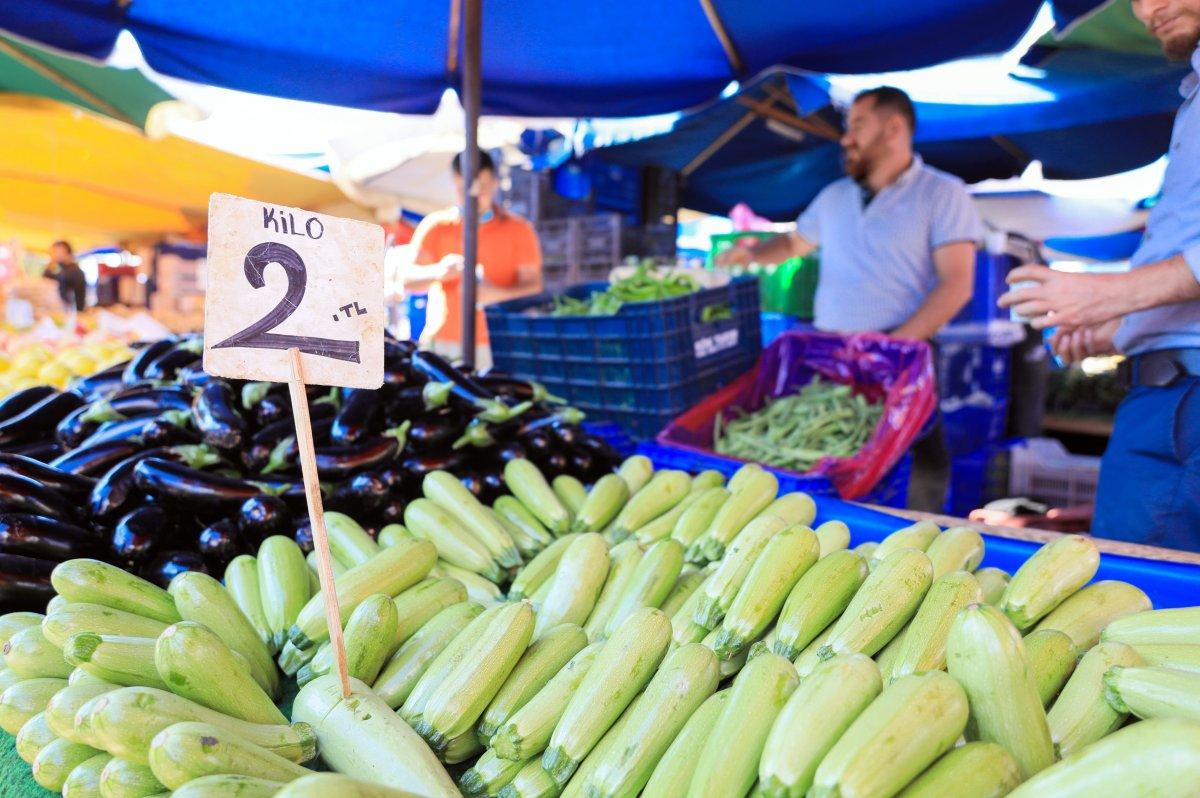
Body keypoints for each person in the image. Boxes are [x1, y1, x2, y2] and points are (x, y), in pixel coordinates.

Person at [718, 86, 984, 511]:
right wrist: (749, 254)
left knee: (915, 474)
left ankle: (915, 554)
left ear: (894, 128)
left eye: (857, 125)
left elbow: (957, 284)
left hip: (903, 356)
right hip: (829, 356)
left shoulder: (943, 193)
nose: (846, 138)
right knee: (829, 463)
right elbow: (792, 244)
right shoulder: (833, 196)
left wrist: (890, 348)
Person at [999, 0, 1200, 552]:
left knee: (1143, 614)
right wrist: (1121, 328)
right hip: (1167, 394)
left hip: (1186, 403)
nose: (1145, 9)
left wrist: (1105, 293)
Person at [408, 149, 542, 353]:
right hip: (442, 343)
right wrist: (439, 272)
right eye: (464, 189)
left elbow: (534, 285)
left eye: (483, 188)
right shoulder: (436, 226)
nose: (474, 196)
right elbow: (407, 280)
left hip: (501, 344)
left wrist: (497, 294)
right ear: (455, 183)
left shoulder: (519, 229)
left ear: (496, 183)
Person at [42, 240, 87, 312]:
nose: (53, 254)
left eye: (56, 251)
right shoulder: (56, 268)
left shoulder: (75, 272)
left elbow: (80, 297)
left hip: (69, 312)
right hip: (57, 312)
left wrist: (79, 312)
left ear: (66, 252)